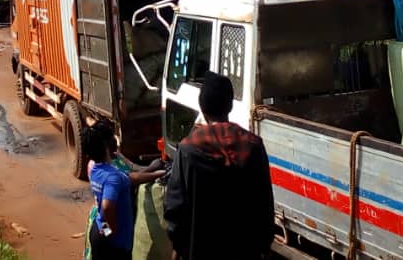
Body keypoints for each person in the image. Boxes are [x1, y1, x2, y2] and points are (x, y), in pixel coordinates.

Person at [163, 72, 273, 260]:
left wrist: (181, 247)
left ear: (202, 108)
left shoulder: (188, 149)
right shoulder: (253, 146)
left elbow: (174, 209)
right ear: (230, 105)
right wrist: (263, 246)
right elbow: (265, 205)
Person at [83, 121, 165, 260]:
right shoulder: (112, 177)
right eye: (111, 137)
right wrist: (113, 230)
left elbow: (129, 178)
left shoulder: (97, 169)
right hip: (113, 243)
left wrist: (157, 172)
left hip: (100, 229)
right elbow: (107, 206)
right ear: (106, 145)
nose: (114, 139)